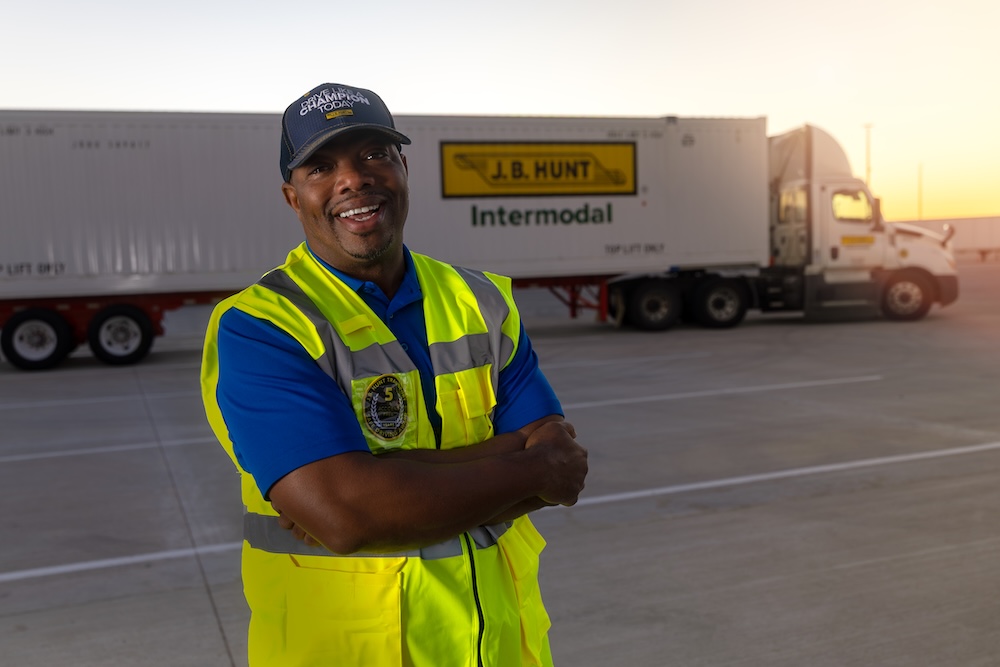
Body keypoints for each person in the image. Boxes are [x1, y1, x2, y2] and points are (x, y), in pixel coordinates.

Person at [200, 82, 589, 667]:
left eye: (373, 154)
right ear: (293, 196)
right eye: (321, 167)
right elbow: (349, 514)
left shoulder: (478, 299)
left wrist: (392, 480)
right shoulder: (260, 327)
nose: (353, 179)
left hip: (500, 646)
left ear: (404, 168)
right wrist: (524, 463)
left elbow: (563, 462)